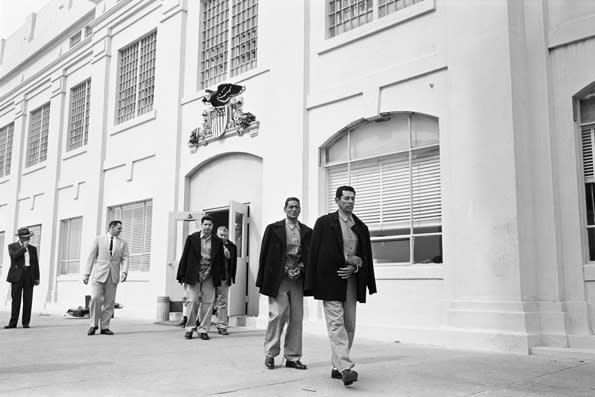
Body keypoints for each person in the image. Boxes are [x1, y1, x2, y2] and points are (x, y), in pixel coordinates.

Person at [305, 186, 377, 387]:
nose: (350, 201)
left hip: (352, 282)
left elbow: (365, 258)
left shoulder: (361, 227)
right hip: (331, 280)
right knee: (336, 324)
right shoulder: (324, 223)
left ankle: (337, 367)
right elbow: (318, 253)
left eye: (353, 198)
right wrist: (345, 260)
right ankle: (346, 368)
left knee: (349, 325)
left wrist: (353, 268)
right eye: (346, 198)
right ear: (337, 200)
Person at [256, 197, 312, 370]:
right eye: (291, 207)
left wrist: (301, 268)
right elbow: (265, 256)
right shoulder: (273, 229)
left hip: (297, 279)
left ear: (300, 210)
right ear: (285, 209)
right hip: (279, 279)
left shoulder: (307, 232)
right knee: (277, 315)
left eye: (296, 207)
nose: (294, 209)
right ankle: (270, 354)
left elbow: (310, 256)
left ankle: (293, 357)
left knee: (297, 318)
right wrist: (264, 279)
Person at [176, 215, 225, 340]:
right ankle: (190, 328)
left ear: (212, 227)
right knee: (192, 301)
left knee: (208, 303)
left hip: (210, 275)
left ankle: (203, 329)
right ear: (201, 225)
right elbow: (185, 256)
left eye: (210, 225)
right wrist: (181, 275)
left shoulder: (217, 241)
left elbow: (220, 260)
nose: (207, 227)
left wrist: (221, 276)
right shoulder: (192, 238)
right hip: (194, 274)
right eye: (205, 224)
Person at [83, 220, 129, 336]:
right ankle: (93, 325)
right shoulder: (99, 239)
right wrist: (86, 274)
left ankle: (105, 327)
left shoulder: (123, 243)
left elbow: (125, 258)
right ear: (112, 228)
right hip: (98, 275)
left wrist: (124, 272)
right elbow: (91, 257)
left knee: (109, 302)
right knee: (95, 299)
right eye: (119, 228)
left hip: (113, 275)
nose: (120, 231)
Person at [4, 227, 40, 329]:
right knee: (16, 300)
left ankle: (26, 323)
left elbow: (35, 264)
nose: (28, 239)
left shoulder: (33, 248)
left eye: (28, 237)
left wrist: (37, 277)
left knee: (28, 300)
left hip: (29, 275)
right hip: (17, 276)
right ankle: (13, 323)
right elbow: (14, 257)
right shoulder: (12, 246)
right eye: (25, 238)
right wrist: (23, 248)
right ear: (20, 238)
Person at [213, 226, 237, 335]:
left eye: (225, 235)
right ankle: (202, 324)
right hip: (211, 277)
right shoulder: (211, 244)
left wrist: (229, 256)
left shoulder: (232, 247)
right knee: (206, 301)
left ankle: (222, 325)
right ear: (217, 235)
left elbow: (234, 263)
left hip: (224, 277)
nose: (223, 237)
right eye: (221, 235)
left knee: (222, 302)